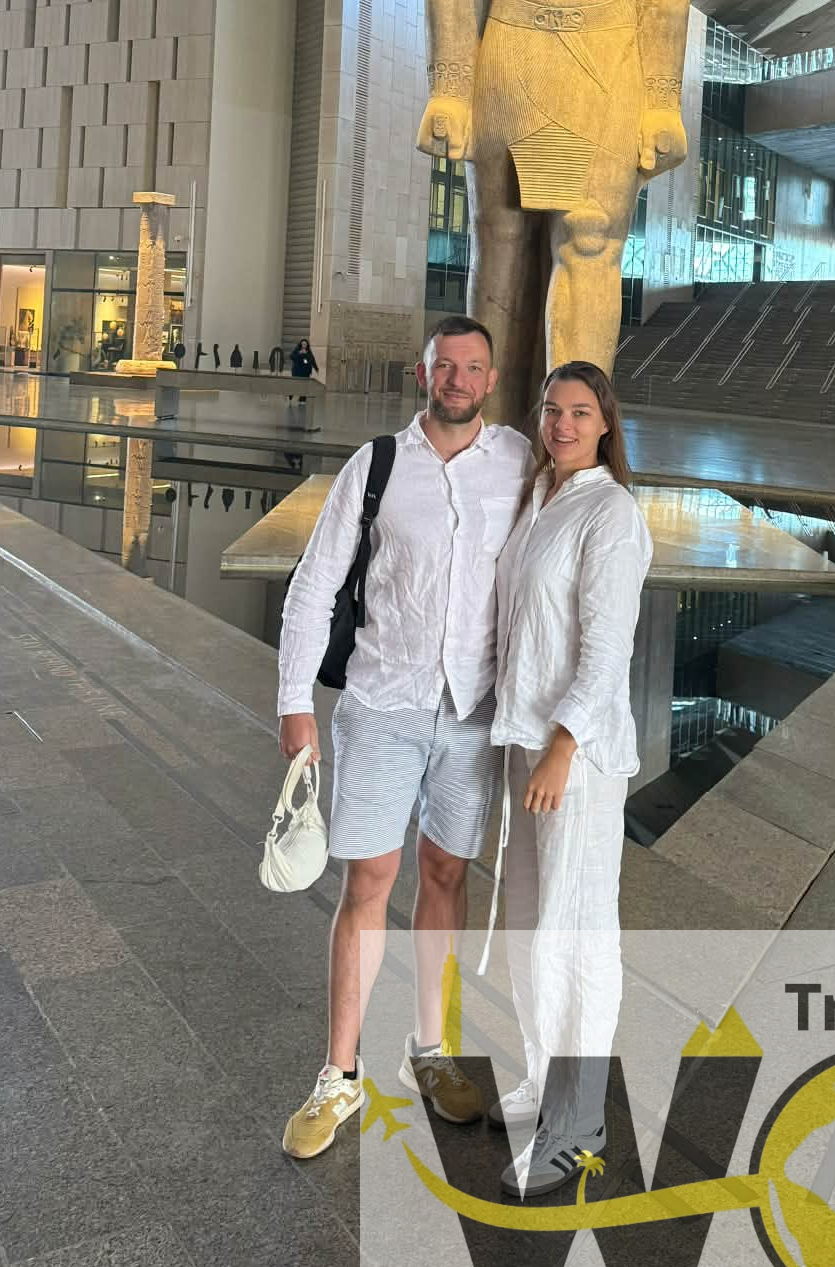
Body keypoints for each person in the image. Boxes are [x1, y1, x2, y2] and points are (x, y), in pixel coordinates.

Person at [277, 316, 532, 1160]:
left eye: (473, 367)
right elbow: (315, 586)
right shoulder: (377, 464)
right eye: (444, 366)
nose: (458, 380)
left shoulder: (517, 461)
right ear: (423, 375)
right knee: (369, 882)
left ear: (489, 378)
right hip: (383, 702)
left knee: (447, 873)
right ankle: (338, 1075)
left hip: (473, 712)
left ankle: (430, 1050)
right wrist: (294, 702)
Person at [487, 360, 652, 1197]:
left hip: (573, 758)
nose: (562, 424)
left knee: (574, 932)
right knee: (529, 925)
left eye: (580, 412)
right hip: (525, 743)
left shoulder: (610, 512)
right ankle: (541, 1077)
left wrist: (562, 744)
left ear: (605, 423)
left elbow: (607, 647)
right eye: (552, 409)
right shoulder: (541, 499)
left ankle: (579, 1122)